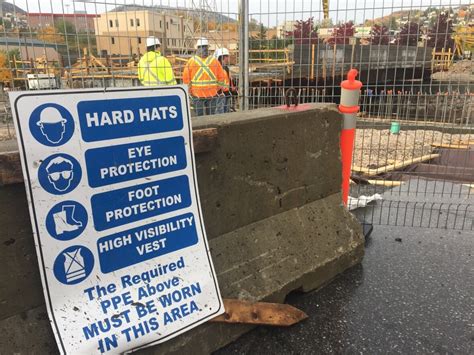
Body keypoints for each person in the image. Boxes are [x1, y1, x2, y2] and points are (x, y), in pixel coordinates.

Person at [182, 37, 227, 116]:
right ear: (207, 48)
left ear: (197, 48)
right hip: (211, 93)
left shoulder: (191, 61)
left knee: (199, 116)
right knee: (211, 115)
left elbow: (186, 78)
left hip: (197, 94)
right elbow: (221, 77)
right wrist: (218, 88)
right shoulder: (214, 61)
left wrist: (189, 91)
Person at [214, 47, 235, 114]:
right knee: (220, 112)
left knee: (226, 112)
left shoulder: (226, 68)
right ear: (221, 57)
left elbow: (229, 79)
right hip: (220, 94)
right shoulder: (216, 68)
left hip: (226, 93)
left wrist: (232, 88)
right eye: (226, 56)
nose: (228, 59)